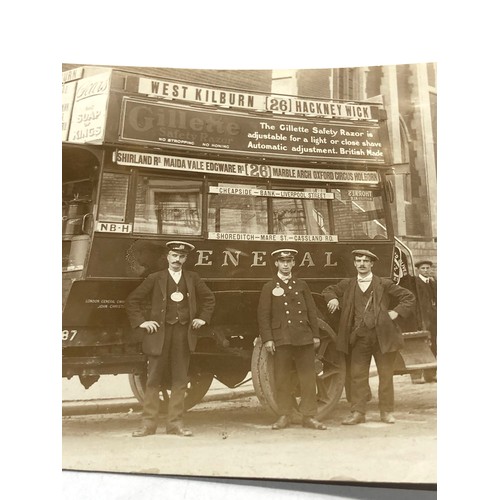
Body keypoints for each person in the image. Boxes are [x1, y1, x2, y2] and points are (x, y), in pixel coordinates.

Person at [126, 241, 215, 437]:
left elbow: (209, 299)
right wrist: (142, 322)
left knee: (180, 380)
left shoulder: (193, 278)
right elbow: (133, 300)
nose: (178, 260)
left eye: (182, 256)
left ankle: (175, 425)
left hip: (183, 335)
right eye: (174, 255)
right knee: (153, 380)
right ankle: (148, 426)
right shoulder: (155, 278)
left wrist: (202, 318)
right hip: (159, 335)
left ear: (186, 259)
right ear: (167, 257)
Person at [322, 249, 415, 425]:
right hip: (360, 338)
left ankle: (386, 412)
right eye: (359, 261)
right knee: (358, 375)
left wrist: (396, 312)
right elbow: (328, 290)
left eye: (366, 261)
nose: (362, 264)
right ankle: (358, 413)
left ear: (372, 264)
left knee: (385, 375)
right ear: (354, 264)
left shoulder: (384, 283)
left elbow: (408, 297)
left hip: (383, 337)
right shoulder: (348, 284)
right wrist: (332, 299)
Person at [257, 249, 326, 431]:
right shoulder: (269, 287)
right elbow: (263, 316)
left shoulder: (301, 285)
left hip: (303, 337)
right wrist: (268, 339)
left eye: (289, 261)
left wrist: (316, 334)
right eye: (282, 261)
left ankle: (309, 416)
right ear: (277, 264)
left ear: (293, 264)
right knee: (282, 378)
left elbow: (312, 311)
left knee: (308, 377)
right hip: (282, 339)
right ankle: (284, 415)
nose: (286, 264)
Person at [411, 260, 437, 383]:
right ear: (418, 270)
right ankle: (416, 376)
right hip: (420, 319)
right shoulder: (414, 283)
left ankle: (430, 374)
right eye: (423, 268)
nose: (426, 271)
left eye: (428, 268)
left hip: (433, 319)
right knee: (418, 346)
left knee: (433, 345)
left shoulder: (433, 282)